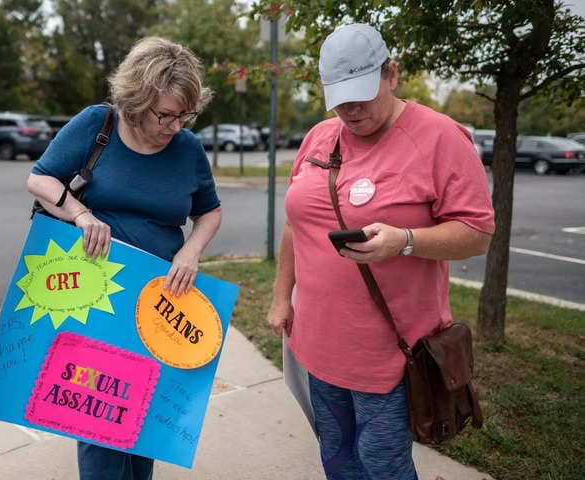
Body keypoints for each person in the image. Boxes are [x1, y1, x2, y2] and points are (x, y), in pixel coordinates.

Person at [267, 24, 495, 479]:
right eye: (339, 97)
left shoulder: (441, 137)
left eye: (362, 94)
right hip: (319, 342)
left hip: (391, 353)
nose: (350, 109)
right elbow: (297, 221)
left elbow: (476, 232)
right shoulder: (318, 138)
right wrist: (280, 296)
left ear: (392, 74)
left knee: (382, 463)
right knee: (336, 454)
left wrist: (405, 240)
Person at [28, 36, 222, 480]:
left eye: (184, 115)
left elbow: (209, 210)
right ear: (137, 99)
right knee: (98, 423)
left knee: (144, 423)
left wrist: (191, 250)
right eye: (165, 115)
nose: (175, 126)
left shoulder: (187, 148)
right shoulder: (98, 125)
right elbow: (39, 179)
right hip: (95, 301)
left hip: (159, 305)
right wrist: (81, 214)